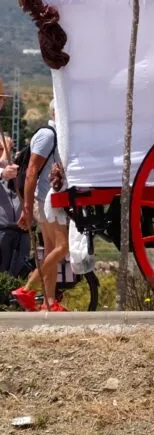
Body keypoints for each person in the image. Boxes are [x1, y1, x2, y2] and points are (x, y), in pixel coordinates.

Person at [12, 100, 68, 312]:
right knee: (63, 247)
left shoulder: (54, 135)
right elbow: (31, 172)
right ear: (56, 112)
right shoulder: (48, 135)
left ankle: (50, 301)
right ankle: (27, 288)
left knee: (53, 250)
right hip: (47, 200)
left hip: (46, 198)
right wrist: (26, 207)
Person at [0, 136, 27, 276]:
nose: (5, 152)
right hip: (2, 230)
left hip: (21, 231)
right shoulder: (3, 170)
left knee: (19, 275)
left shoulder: (16, 167)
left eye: (8, 148)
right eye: (1, 149)